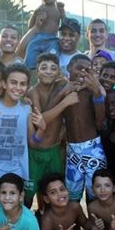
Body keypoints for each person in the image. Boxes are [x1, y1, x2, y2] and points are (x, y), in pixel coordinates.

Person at [0, 63, 46, 214]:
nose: (18, 87)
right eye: (13, 82)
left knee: (12, 220)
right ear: (4, 84)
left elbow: (32, 142)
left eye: (23, 84)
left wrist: (42, 128)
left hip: (16, 174)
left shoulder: (26, 108)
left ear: (27, 87)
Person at [25, 53, 79, 210]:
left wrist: (63, 91)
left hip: (54, 151)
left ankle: (48, 223)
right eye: (44, 67)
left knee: (53, 194)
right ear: (37, 71)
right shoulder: (32, 92)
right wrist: (63, 101)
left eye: (53, 68)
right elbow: (40, 120)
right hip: (35, 152)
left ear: (58, 72)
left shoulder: (61, 86)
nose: (48, 71)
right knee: (28, 196)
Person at [52, 54, 107, 203]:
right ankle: (75, 227)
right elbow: (51, 111)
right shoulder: (61, 88)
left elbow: (100, 122)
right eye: (79, 68)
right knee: (72, 195)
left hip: (93, 148)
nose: (82, 72)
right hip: (72, 150)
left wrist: (96, 93)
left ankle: (97, 226)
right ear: (69, 68)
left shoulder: (92, 91)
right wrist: (64, 92)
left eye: (86, 69)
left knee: (96, 195)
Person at [21, 0, 65, 69]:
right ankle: (29, 71)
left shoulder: (59, 9)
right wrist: (35, 14)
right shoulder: (41, 8)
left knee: (53, 57)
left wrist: (63, 12)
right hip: (38, 38)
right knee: (30, 51)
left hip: (52, 39)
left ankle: (54, 73)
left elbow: (64, 24)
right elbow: (30, 26)